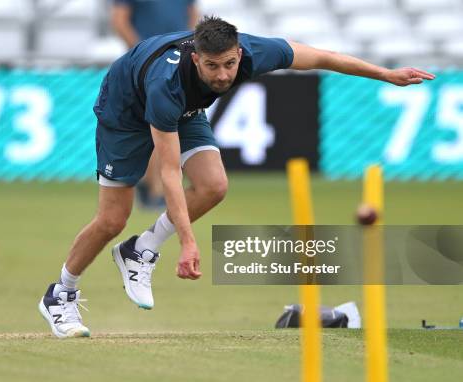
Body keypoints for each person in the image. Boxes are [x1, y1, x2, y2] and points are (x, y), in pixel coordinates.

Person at [38, 16, 435, 338]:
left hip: (186, 111)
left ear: (239, 52)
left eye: (229, 63)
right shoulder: (166, 83)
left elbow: (320, 57)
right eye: (212, 66)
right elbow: (169, 172)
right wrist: (188, 243)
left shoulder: (252, 52)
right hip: (125, 109)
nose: (224, 75)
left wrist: (385, 74)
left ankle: (139, 249)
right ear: (196, 59)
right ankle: (61, 293)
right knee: (112, 219)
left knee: (214, 186)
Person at [111, 0, 199, 209]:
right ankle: (155, 190)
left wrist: (186, 44)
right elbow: (119, 21)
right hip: (144, 66)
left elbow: (193, 15)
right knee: (157, 126)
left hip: (176, 62)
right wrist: (145, 52)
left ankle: (150, 184)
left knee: (165, 124)